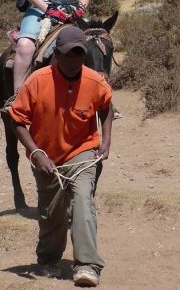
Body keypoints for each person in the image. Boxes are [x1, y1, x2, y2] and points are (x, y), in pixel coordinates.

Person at [6, 25, 114, 287]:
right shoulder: (37, 81)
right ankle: (49, 260)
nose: (73, 60)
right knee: (51, 211)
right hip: (46, 154)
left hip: (82, 152)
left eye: (78, 55)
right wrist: (36, 152)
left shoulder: (94, 81)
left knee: (81, 200)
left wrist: (106, 139)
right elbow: (17, 120)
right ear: (56, 55)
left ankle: (87, 264)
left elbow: (107, 107)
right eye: (68, 54)